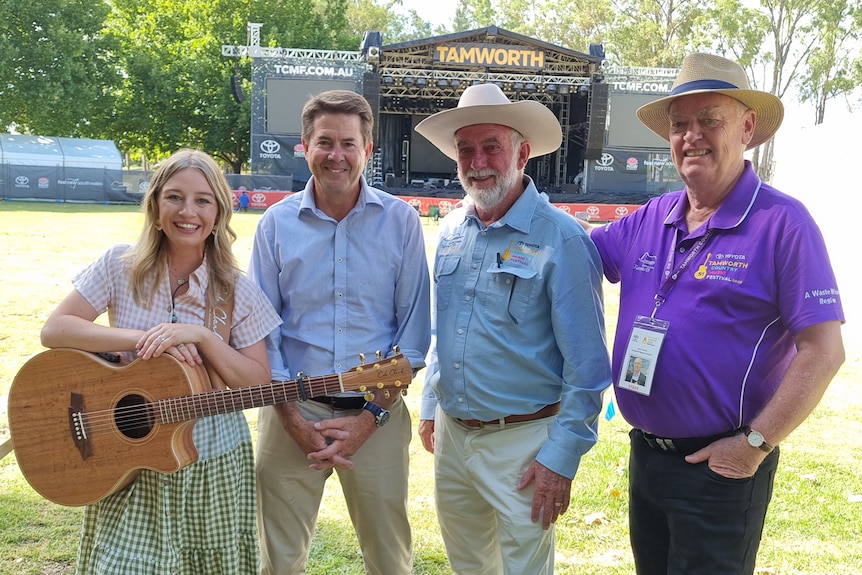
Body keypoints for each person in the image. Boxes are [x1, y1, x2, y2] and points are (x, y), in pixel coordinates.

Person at [581, 53, 845, 574]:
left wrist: (755, 444)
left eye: (709, 120)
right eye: (680, 124)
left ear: (747, 128)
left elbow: (824, 350)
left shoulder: (782, 223)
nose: (691, 136)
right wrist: (511, 199)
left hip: (720, 468)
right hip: (647, 458)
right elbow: (578, 252)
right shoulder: (655, 215)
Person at [40, 148, 283, 573]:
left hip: (210, 460)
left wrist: (204, 338)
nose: (188, 211)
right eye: (174, 197)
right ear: (154, 207)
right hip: (123, 455)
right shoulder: (120, 265)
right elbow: (55, 330)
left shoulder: (237, 290)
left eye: (203, 200)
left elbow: (258, 383)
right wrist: (150, 339)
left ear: (220, 213)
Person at [413, 82, 612, 574]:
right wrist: (432, 406)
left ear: (522, 152)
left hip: (525, 446)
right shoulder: (452, 229)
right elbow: (446, 329)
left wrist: (560, 458)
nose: (477, 161)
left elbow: (587, 368)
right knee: (468, 565)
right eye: (466, 149)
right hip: (455, 439)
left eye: (491, 146)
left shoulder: (562, 238)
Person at [249, 89, 431, 575]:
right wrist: (289, 414)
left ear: (367, 150)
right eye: (324, 142)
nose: (336, 155)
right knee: (278, 561)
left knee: (390, 559)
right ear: (304, 146)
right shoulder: (275, 225)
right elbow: (262, 331)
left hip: (378, 412)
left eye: (348, 143)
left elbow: (413, 336)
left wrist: (368, 419)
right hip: (292, 409)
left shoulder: (401, 222)